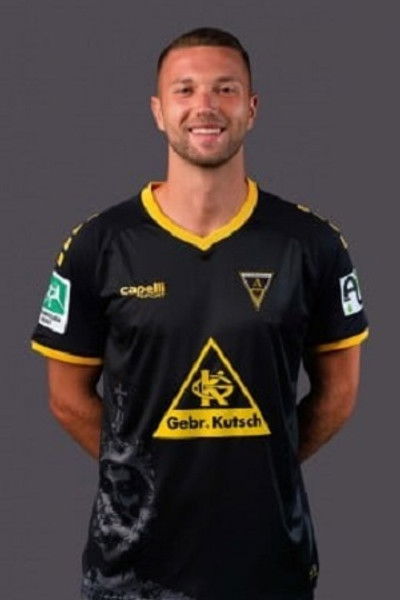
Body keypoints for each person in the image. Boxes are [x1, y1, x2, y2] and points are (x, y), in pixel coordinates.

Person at [31, 27, 369, 600]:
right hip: (132, 572)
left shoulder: (311, 243)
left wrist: (260, 470)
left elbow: (338, 394)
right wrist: (146, 472)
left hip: (269, 566)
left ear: (252, 109)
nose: (205, 105)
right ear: (158, 111)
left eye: (225, 89)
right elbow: (66, 397)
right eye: (184, 90)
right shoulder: (98, 244)